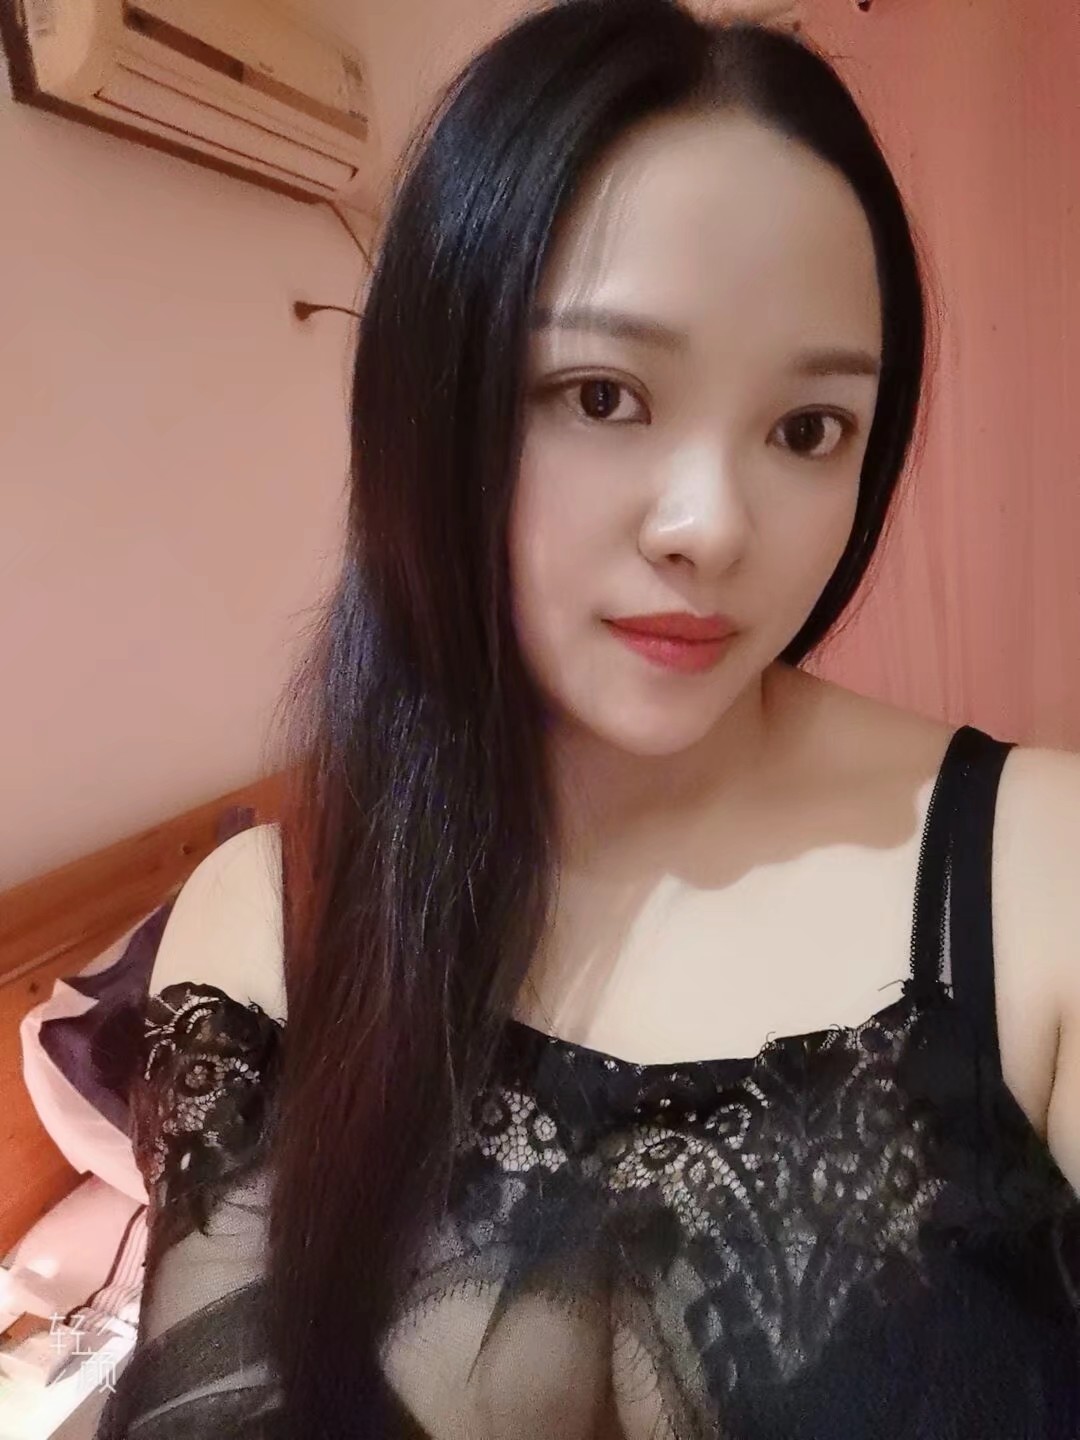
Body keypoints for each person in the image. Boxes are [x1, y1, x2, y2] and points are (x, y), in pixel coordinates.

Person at [94, 2, 1080, 1437]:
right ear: (434, 405)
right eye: (603, 394)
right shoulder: (272, 922)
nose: (713, 527)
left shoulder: (1038, 872)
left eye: (808, 428)